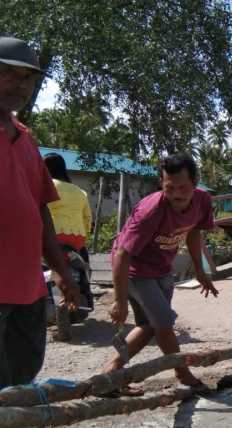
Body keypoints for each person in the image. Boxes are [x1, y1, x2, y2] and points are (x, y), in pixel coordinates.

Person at [100, 154, 219, 394]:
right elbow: (123, 254)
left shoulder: (202, 201)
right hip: (133, 269)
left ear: (195, 183)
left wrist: (200, 270)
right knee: (163, 322)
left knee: (148, 326)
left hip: (161, 269)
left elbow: (194, 233)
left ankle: (110, 373)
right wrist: (119, 300)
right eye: (169, 188)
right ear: (161, 184)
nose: (176, 194)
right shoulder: (150, 210)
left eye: (183, 187)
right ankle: (183, 375)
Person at [0, 37, 78, 387]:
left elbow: (40, 210)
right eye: (7, 74)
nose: (19, 85)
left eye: (27, 78)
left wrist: (61, 271)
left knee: (22, 377)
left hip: (28, 287)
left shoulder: (26, 139)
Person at [44, 153, 95, 323]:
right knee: (84, 265)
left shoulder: (43, 185)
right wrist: (80, 239)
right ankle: (86, 291)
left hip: (50, 238)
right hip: (75, 240)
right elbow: (87, 219)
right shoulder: (79, 192)